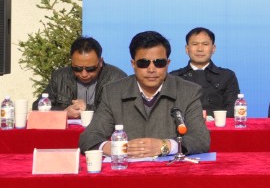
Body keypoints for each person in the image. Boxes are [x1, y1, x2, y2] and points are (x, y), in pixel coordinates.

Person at [80, 30, 210, 155]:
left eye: (159, 63)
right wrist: (115, 148)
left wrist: (164, 146)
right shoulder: (113, 92)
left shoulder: (188, 91)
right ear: (133, 64)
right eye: (143, 63)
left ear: (167, 63)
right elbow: (89, 137)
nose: (151, 69)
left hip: (170, 167)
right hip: (127, 167)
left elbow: (200, 139)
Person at [36, 36, 127, 119]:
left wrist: (87, 109)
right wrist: (64, 112)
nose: (84, 74)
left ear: (100, 62)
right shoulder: (60, 77)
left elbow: (123, 111)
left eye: (90, 69)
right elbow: (37, 107)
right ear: (72, 62)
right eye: (77, 68)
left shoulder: (117, 78)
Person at [169, 27, 241, 116]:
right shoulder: (174, 77)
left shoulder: (227, 76)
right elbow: (169, 110)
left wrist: (210, 117)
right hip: (185, 124)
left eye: (205, 44)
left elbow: (232, 109)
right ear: (187, 49)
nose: (200, 49)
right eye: (195, 44)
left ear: (213, 48)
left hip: (219, 124)